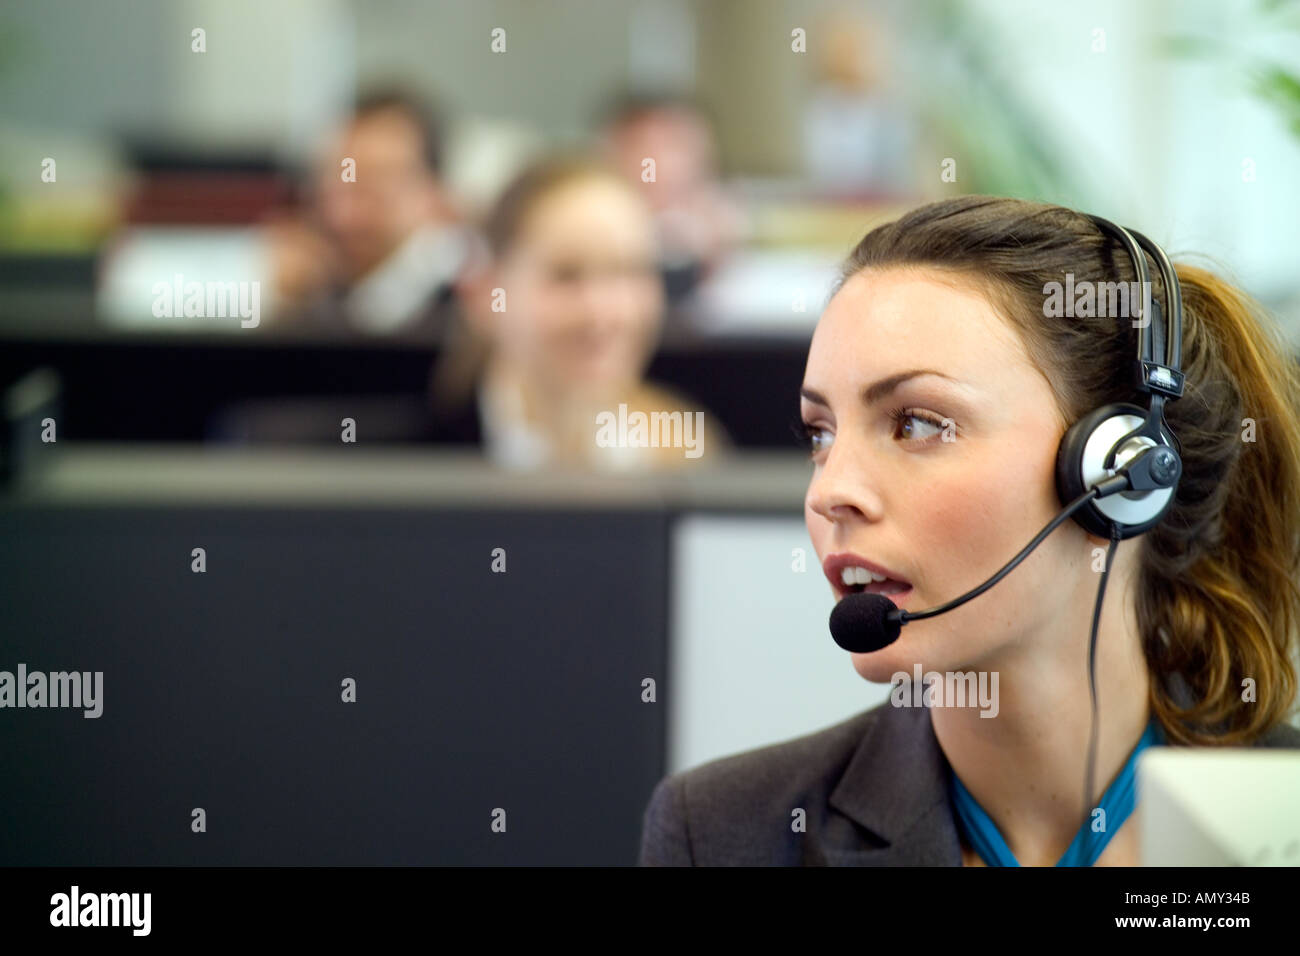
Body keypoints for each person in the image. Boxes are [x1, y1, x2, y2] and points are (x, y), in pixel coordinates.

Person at [638, 195, 1300, 866]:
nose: (831, 492)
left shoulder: (1280, 816)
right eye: (821, 434)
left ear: (1119, 472)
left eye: (917, 423)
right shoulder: (725, 835)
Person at [429, 152, 731, 470]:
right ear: (485, 292)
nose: (602, 311)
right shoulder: (416, 462)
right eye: (566, 275)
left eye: (629, 270)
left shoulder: (685, 447)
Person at [266, 88, 473, 340]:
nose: (344, 215)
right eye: (336, 187)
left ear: (434, 195)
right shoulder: (311, 290)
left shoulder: (466, 310)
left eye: (372, 190)